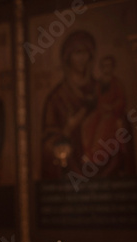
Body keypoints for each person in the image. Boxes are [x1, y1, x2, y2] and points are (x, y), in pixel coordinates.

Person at [41, 30, 98, 179]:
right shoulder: (56, 98)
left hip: (99, 157)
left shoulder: (100, 89)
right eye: (77, 53)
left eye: (85, 52)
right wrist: (67, 130)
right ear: (68, 57)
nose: (81, 58)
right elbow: (48, 140)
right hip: (71, 166)